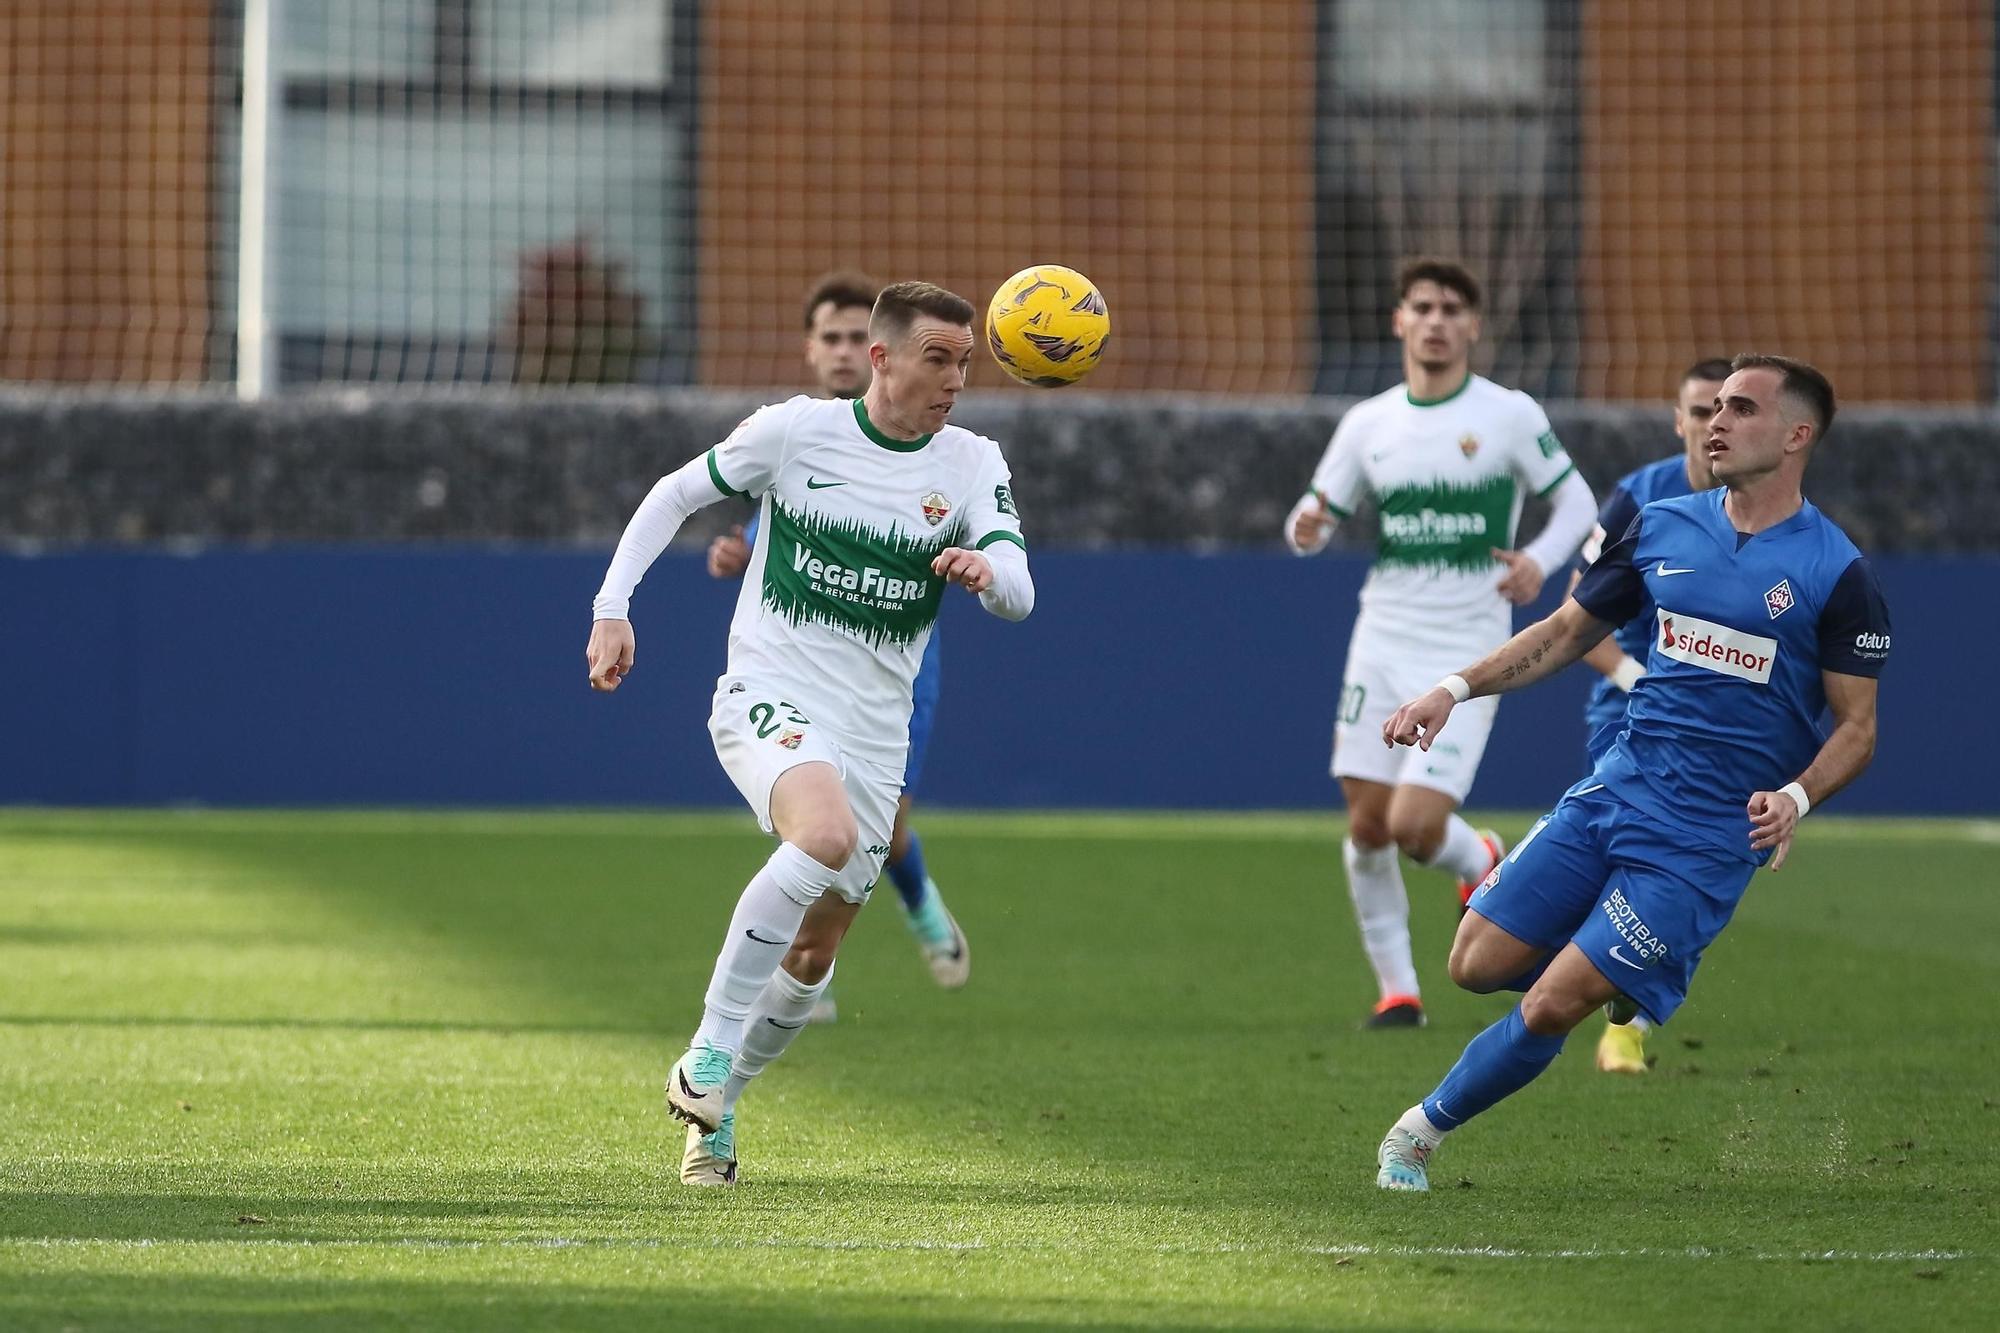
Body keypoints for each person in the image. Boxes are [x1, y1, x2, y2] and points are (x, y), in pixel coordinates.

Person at [1371, 354, 1889, 1192]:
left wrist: (1795, 797)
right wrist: (1453, 688)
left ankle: (1416, 1135)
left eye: (1742, 408)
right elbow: (1566, 629)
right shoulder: (1660, 524)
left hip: (1706, 839)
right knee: (1474, 963)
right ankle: (1626, 967)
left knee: (1548, 1004)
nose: (1715, 421)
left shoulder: (1837, 572)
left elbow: (1858, 729)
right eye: (1714, 406)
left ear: (1797, 435)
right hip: (1618, 788)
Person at [587, 282, 1033, 1187]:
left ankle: (719, 1106)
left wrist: (988, 570)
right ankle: (709, 1048)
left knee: (813, 956)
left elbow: (1021, 591)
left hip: (877, 733)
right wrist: (611, 607)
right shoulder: (796, 431)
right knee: (821, 836)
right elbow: (673, 495)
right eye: (938, 358)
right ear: (883, 358)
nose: (955, 379)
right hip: (771, 692)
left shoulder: (972, 462)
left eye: (966, 362)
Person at [1286, 257, 1598, 1029]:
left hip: (1467, 652)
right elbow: (1315, 511)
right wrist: (1307, 528)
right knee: (1366, 824)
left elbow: (1577, 500)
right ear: (1398, 320)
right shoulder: (1369, 423)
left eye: (1452, 308)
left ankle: (1482, 857)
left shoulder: (1508, 414)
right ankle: (1399, 992)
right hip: (1382, 638)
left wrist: (1538, 560)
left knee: (1415, 826)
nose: (1435, 320)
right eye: (1422, 306)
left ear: (1472, 326)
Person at [707, 274, 971, 1023]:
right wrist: (739, 551)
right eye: (832, 337)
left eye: (860, 337)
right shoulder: (795, 432)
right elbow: (780, 534)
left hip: (892, 669)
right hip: (802, 670)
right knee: (815, 824)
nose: (846, 350)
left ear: (883, 352)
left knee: (883, 834)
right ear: (811, 349)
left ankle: (920, 906)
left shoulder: (928, 443)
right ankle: (802, 973)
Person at [1569, 358, 1731, 1073]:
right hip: (1630, 700)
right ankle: (1617, 1013)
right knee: (1628, 852)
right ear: (1678, 420)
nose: (1711, 426)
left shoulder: (1767, 508)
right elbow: (1579, 616)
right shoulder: (1639, 496)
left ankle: (1623, 1012)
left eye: (1725, 411)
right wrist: (1637, 677)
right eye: (1698, 411)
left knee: (1685, 866)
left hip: (1720, 716)